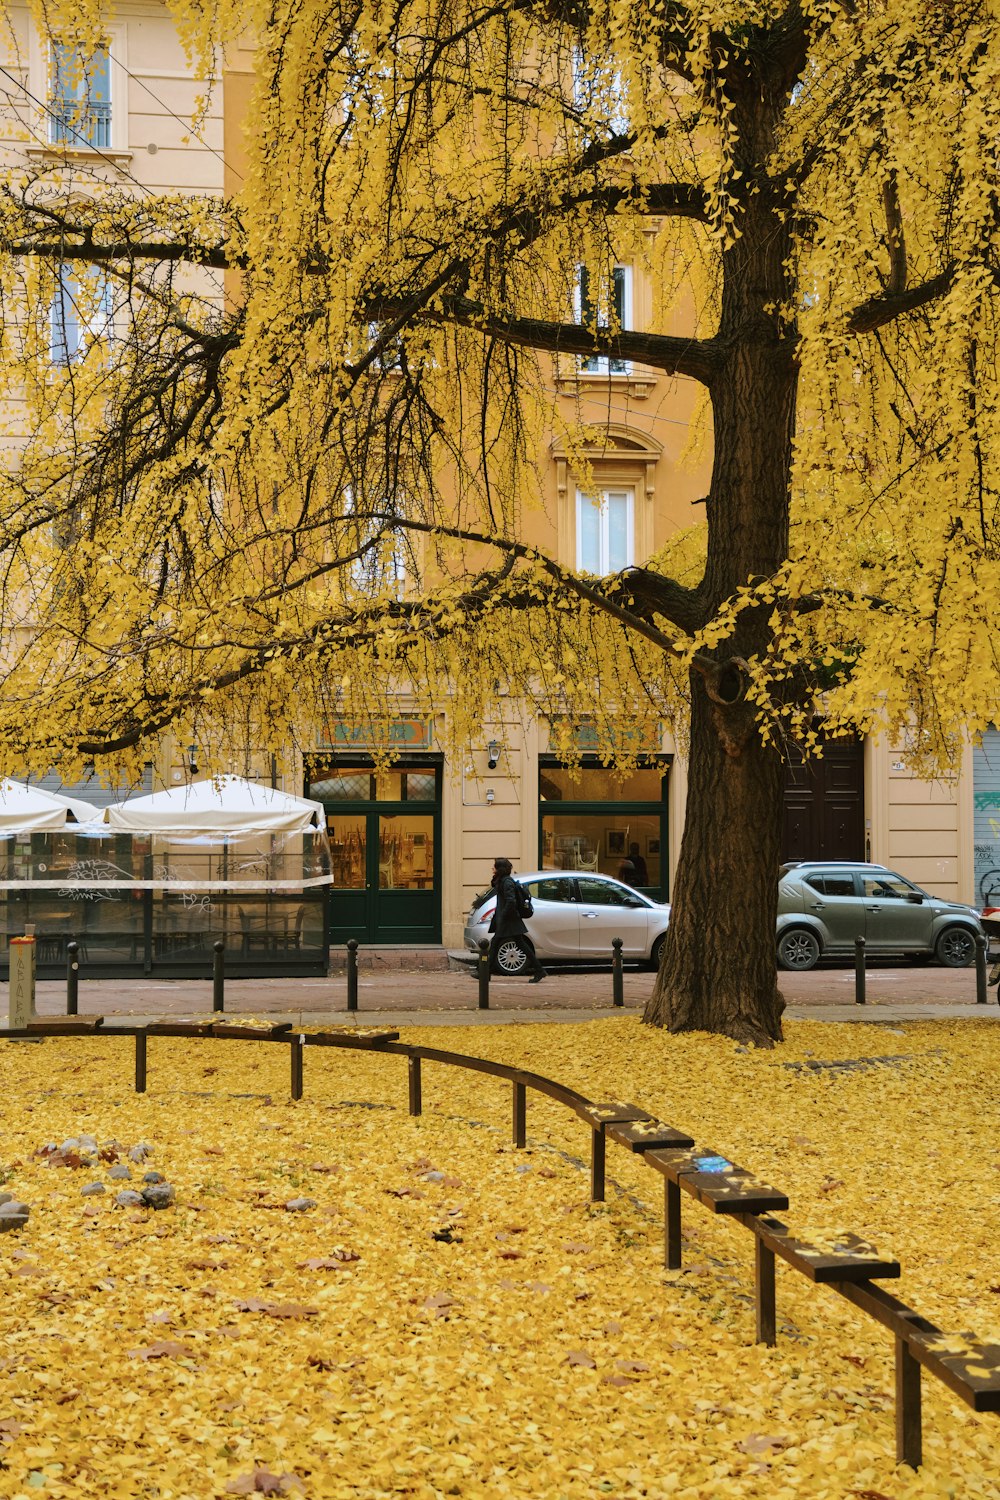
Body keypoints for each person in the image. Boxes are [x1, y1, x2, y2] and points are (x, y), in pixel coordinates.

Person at [487, 857, 546, 982]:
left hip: (509, 920)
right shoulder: (502, 880)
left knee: (496, 944)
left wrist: (502, 916)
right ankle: (539, 970)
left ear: (500, 869)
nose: (492, 868)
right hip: (508, 919)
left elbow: (511, 901)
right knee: (519, 945)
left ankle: (484, 972)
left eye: (494, 866)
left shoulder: (507, 882)